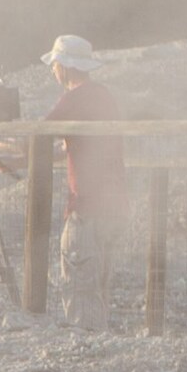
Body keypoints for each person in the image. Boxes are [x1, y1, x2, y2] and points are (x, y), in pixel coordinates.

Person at [37, 34, 132, 304]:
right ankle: (96, 330)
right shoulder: (103, 96)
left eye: (55, 64)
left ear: (66, 67)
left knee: (80, 290)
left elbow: (39, 135)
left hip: (87, 209)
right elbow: (76, 146)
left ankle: (83, 329)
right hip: (114, 207)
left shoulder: (75, 98)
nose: (53, 70)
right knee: (98, 290)